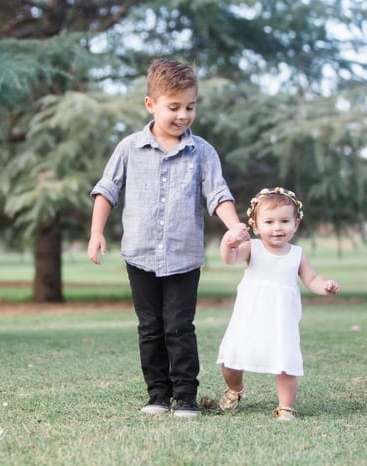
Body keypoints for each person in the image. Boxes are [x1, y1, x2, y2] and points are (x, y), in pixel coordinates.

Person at [87, 58, 249, 419]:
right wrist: (97, 232)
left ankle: (186, 396)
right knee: (150, 328)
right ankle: (158, 395)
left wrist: (234, 225)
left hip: (183, 257)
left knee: (179, 327)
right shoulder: (129, 148)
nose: (183, 115)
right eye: (173, 107)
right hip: (140, 255)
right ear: (151, 104)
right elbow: (106, 190)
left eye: (190, 107)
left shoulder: (202, 152)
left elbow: (218, 195)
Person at [215, 187, 341, 421]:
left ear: (296, 224)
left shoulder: (297, 254)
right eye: (269, 222)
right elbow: (230, 258)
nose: (277, 228)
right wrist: (229, 242)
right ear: (255, 225)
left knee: (285, 363)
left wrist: (324, 286)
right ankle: (236, 389)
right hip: (250, 316)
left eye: (284, 221)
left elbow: (312, 278)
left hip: (281, 319)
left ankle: (286, 406)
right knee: (231, 361)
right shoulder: (252, 248)